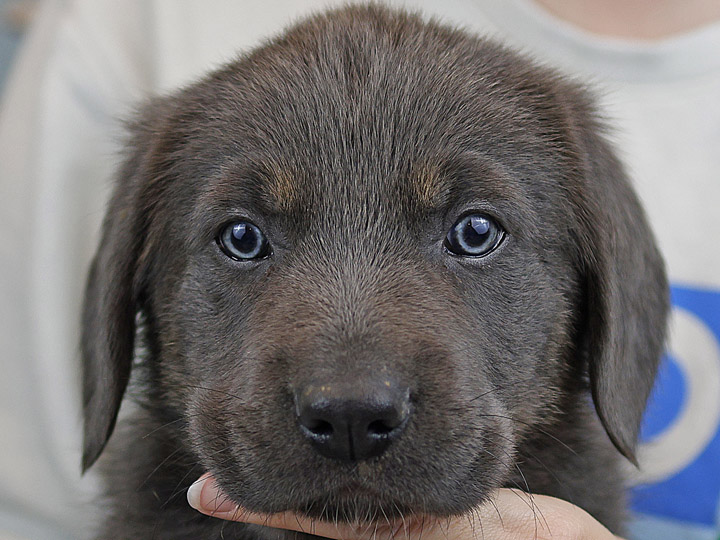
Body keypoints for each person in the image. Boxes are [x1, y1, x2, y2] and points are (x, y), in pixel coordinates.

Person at [0, 1, 717, 539]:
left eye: (475, 233)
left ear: (610, 297)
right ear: (129, 301)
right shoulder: (130, 21)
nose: (349, 394)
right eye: (242, 239)